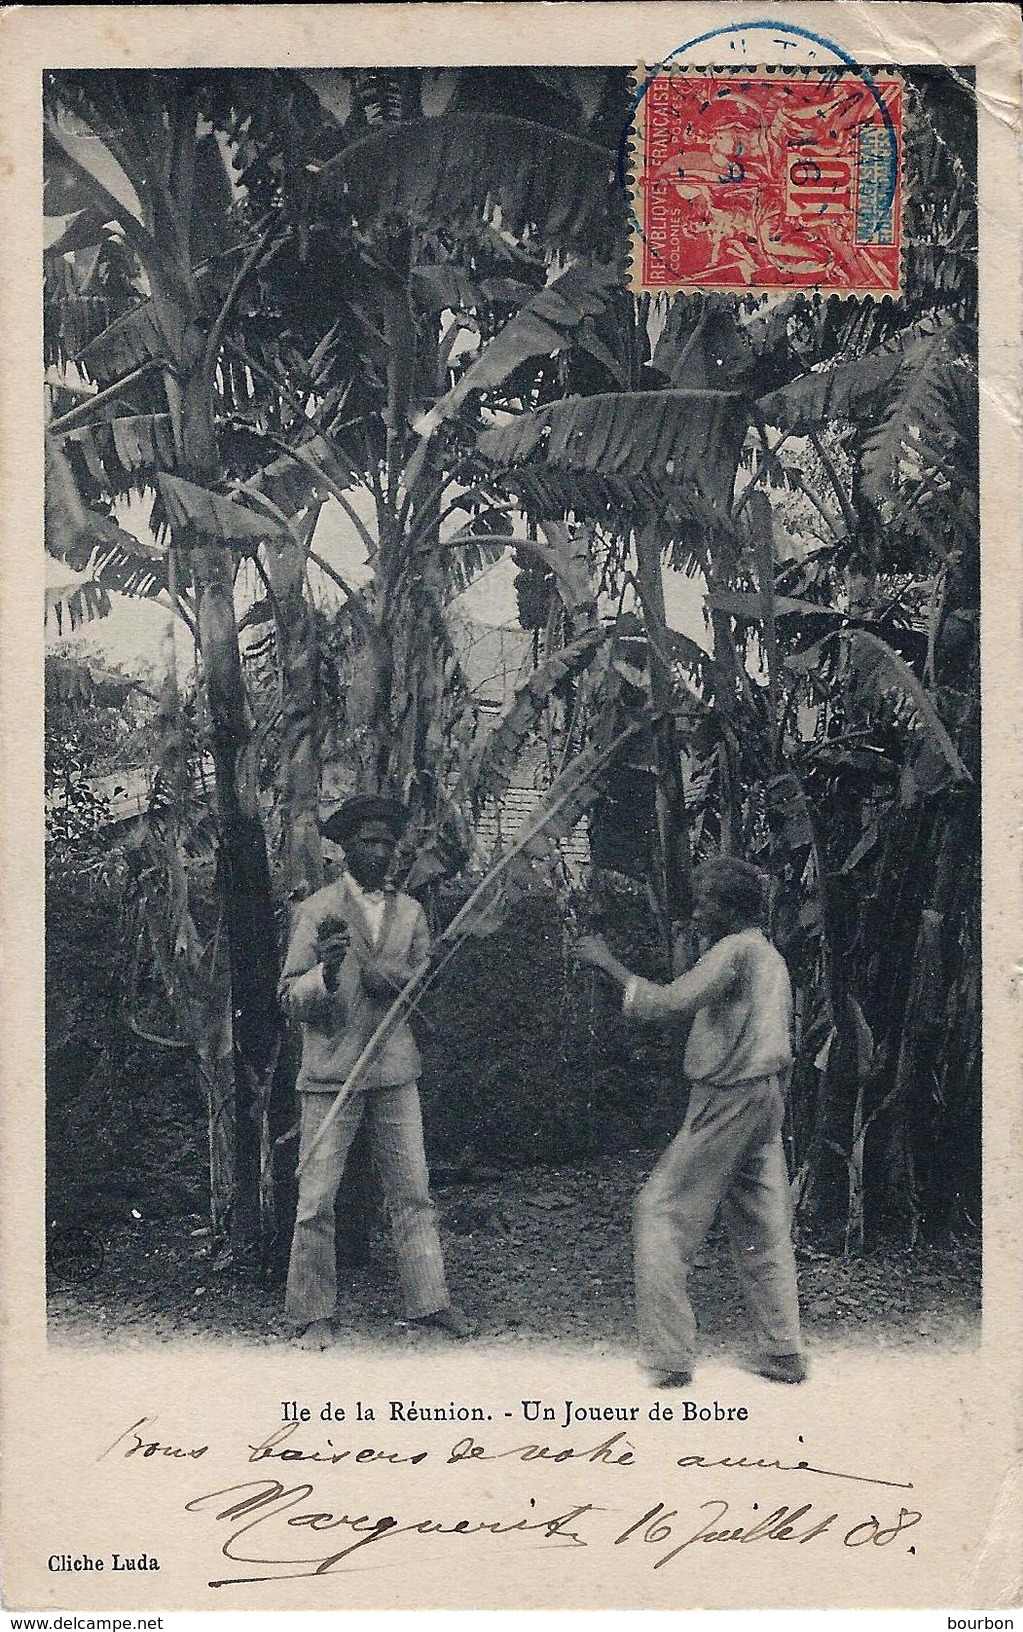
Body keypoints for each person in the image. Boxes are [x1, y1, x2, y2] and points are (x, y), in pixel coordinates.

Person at [575, 857, 805, 1388]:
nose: (698, 912)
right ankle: (782, 1349)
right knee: (763, 1225)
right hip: (764, 1098)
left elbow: (668, 1002)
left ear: (727, 907)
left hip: (726, 1099)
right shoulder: (768, 955)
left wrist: (607, 964)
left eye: (705, 902)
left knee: (659, 1212)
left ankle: (669, 1357)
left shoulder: (735, 952)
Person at [280, 793, 471, 1349]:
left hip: (393, 1069)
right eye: (370, 841)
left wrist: (401, 980)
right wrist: (329, 972)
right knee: (317, 1197)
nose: (382, 852)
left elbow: (424, 985)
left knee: (413, 1192)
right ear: (346, 849)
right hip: (332, 1072)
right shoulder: (316, 910)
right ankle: (311, 1312)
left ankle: (430, 1302)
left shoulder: (411, 913)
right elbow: (289, 997)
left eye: (389, 841)